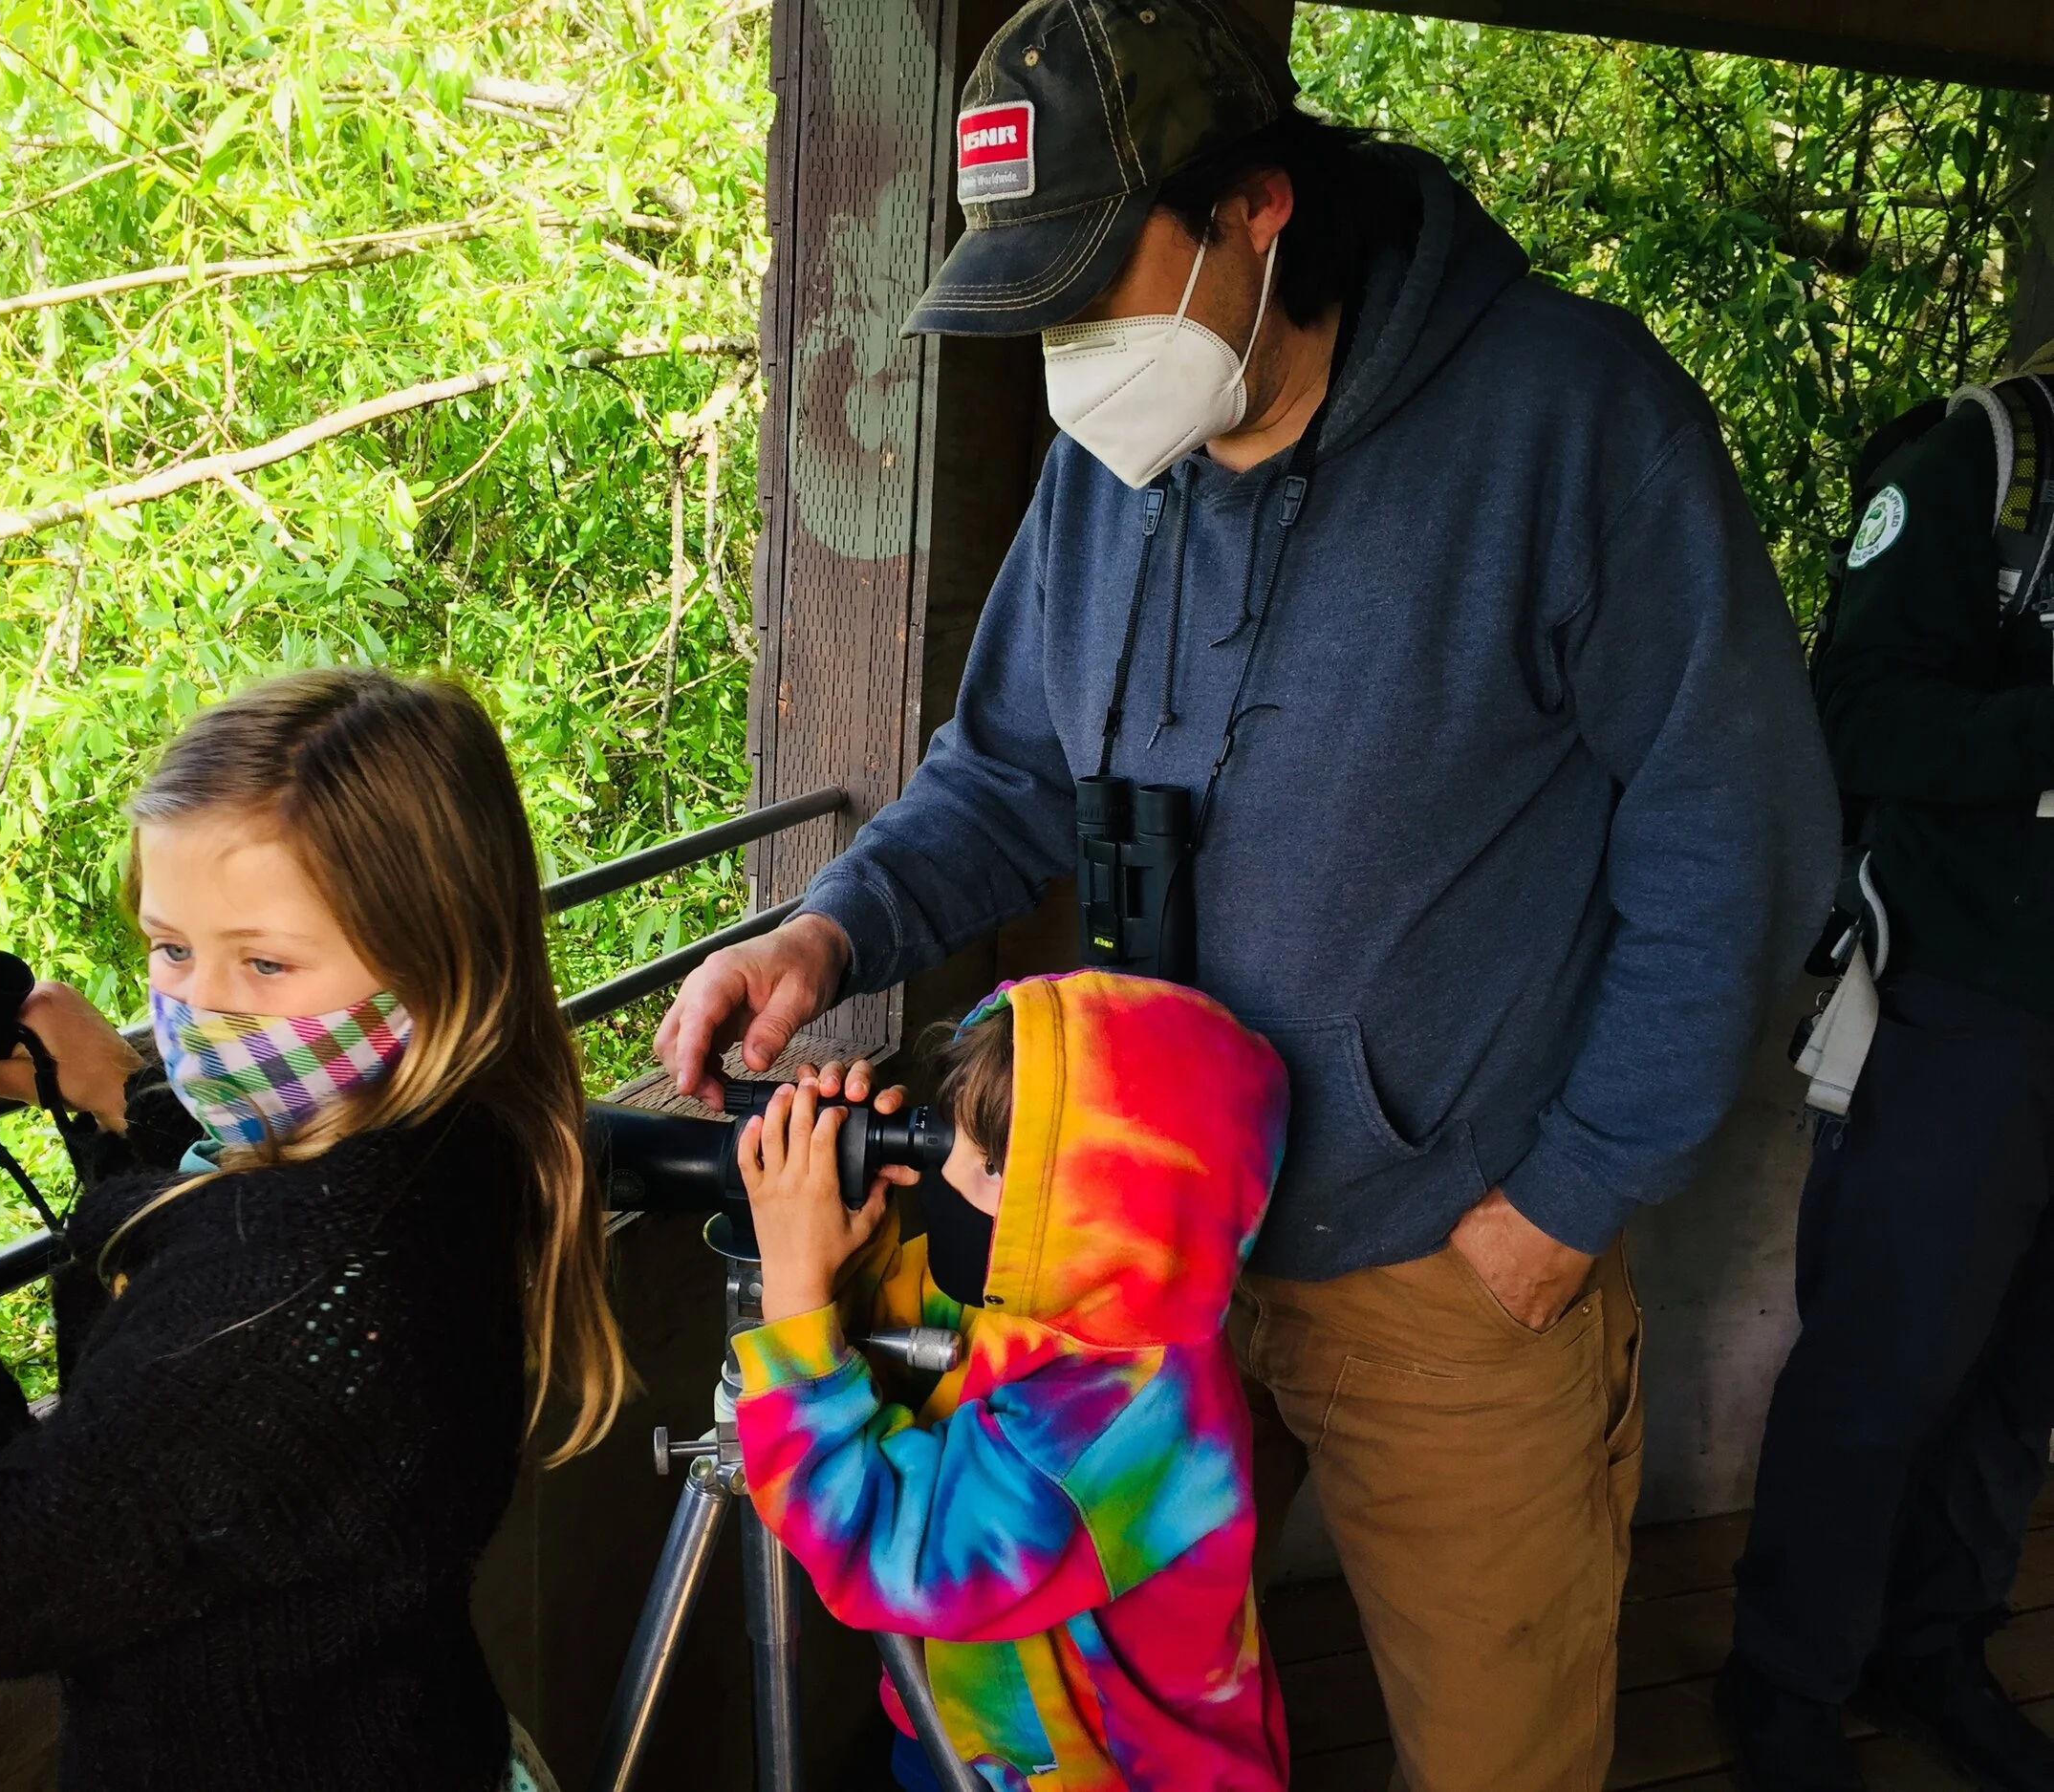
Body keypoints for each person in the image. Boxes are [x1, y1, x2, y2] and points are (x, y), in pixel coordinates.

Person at [657, 1, 1838, 1782]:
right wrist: (832, 932)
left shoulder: (1576, 428)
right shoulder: (1110, 466)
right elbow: (1009, 772)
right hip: (1123, 1263)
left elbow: (1734, 839)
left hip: (1436, 1251)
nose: (1065, 348)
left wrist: (1559, 1206)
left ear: (1256, 214)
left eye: (1089, 283)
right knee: (1141, 1718)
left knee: (1496, 1741)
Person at [0, 669, 620, 1792]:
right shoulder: (452, 1136)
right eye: (170, 949)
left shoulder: (302, 1289)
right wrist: (135, 1105)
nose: (200, 1008)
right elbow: (230, 1304)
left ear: (438, 956)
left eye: (263, 962)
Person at [1719, 351, 2054, 1791]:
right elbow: (1852, 713)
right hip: (1966, 1004)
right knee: (1884, 1364)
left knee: (2021, 1378)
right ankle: (1786, 1680)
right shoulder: (1984, 465)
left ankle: (1937, 1645)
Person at [732, 971, 1291, 1791]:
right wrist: (852, 1246)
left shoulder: (1116, 1417)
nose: (949, 1171)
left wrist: (793, 1306)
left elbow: (893, 1548)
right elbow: (923, 1358)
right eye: (952, 1131)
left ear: (1111, 1215)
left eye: (995, 1165)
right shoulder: (1063, 1291)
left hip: (1103, 1773)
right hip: (967, 1727)